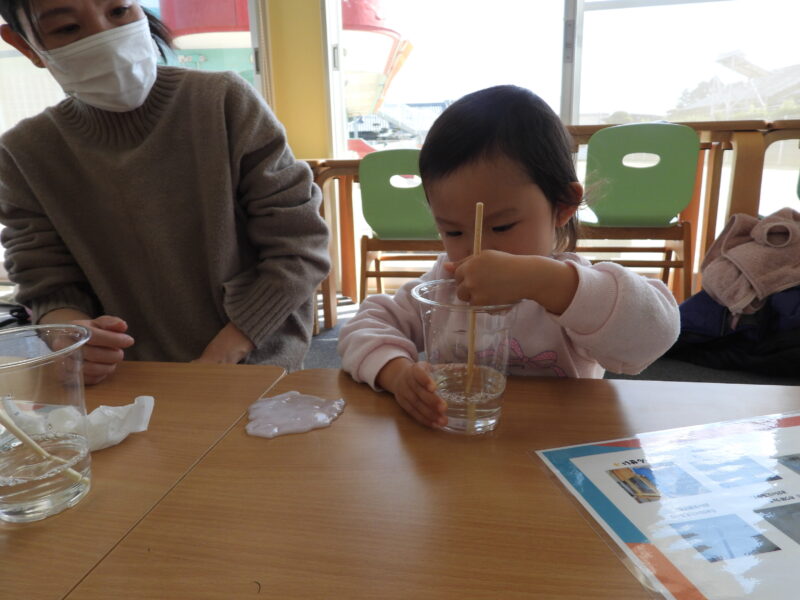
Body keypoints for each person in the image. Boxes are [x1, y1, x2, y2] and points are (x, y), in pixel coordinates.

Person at [0, 0, 330, 384]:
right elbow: (47, 283)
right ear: (24, 45)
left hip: (253, 369)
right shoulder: (24, 154)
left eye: (119, 11)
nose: (105, 37)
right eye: (68, 28)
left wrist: (221, 357)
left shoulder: (223, 102)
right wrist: (72, 336)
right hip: (124, 381)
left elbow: (300, 245)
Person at [338, 85, 680, 429]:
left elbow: (656, 334)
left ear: (562, 204)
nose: (478, 251)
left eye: (502, 226)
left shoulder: (576, 291)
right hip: (459, 440)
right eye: (453, 232)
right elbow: (363, 325)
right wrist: (397, 374)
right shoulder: (445, 283)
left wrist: (547, 283)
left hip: (560, 442)